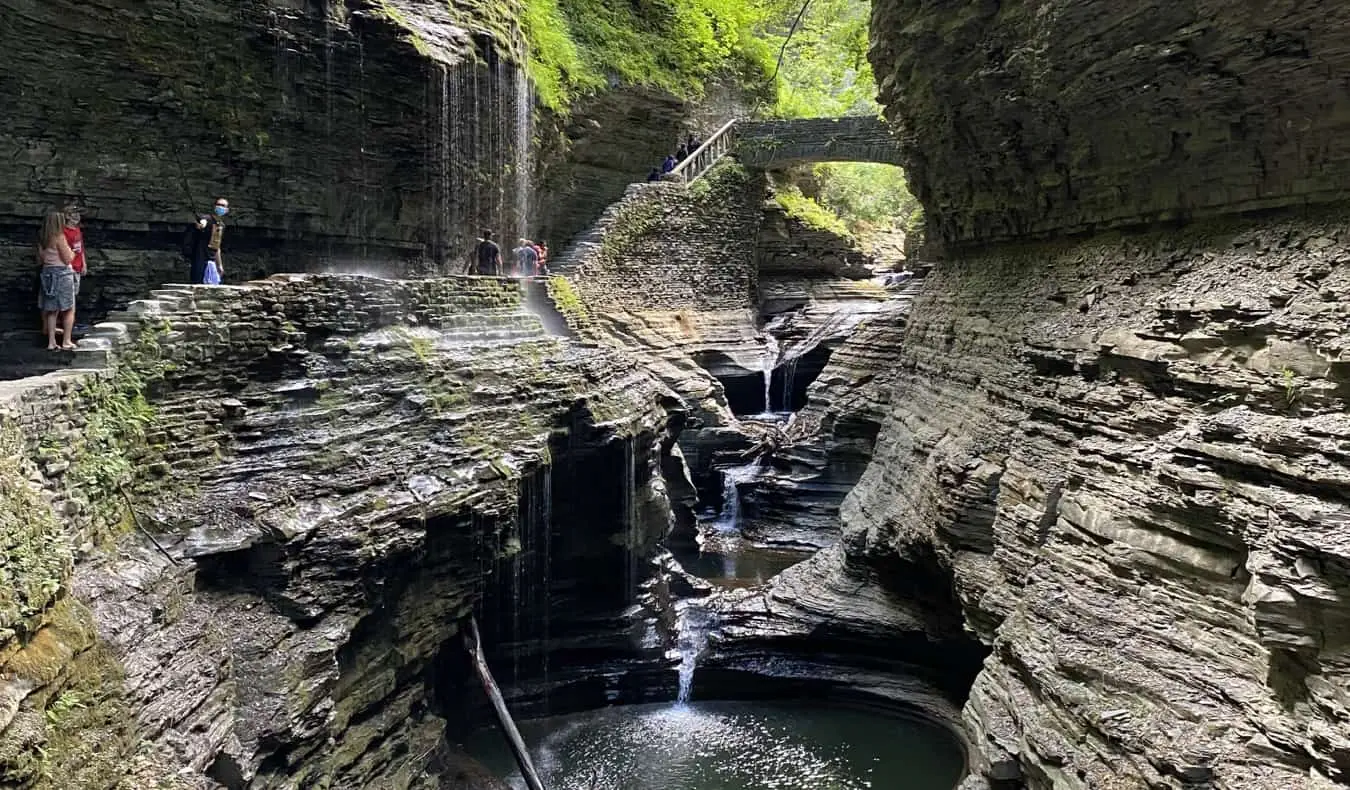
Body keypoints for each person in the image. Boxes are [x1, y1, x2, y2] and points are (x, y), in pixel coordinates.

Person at [37, 211, 77, 351]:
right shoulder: (59, 237)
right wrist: (73, 252)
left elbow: (40, 259)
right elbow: (67, 258)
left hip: (47, 273)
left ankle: (51, 342)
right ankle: (66, 341)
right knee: (68, 308)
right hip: (62, 274)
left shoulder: (42, 238)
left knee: (51, 309)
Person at [185, 197, 229, 284]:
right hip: (200, 258)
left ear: (227, 210)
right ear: (214, 206)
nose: (220, 207)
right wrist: (201, 224)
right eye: (218, 205)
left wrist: (219, 265)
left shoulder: (221, 226)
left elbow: (217, 247)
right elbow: (202, 222)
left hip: (211, 261)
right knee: (198, 282)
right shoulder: (208, 219)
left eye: (223, 206)